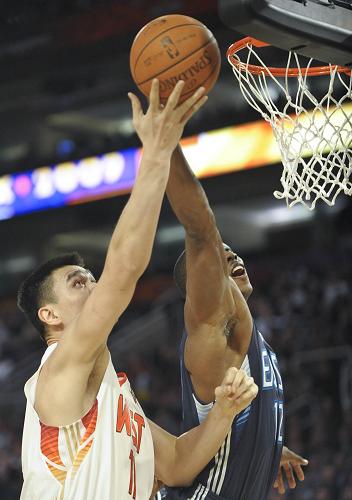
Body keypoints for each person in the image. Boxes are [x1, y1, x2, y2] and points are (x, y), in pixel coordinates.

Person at [18, 80, 259, 500]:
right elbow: (123, 272)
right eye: (78, 282)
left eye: (92, 277)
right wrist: (157, 154)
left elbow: (180, 464)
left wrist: (224, 411)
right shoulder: (57, 371)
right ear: (49, 315)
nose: (94, 285)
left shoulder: (114, 397)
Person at [159, 144, 308, 499]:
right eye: (222, 259)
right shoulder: (212, 331)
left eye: (232, 252)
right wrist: (165, 143)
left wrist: (266, 448)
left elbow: (236, 424)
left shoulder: (251, 342)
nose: (233, 256)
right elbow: (199, 229)